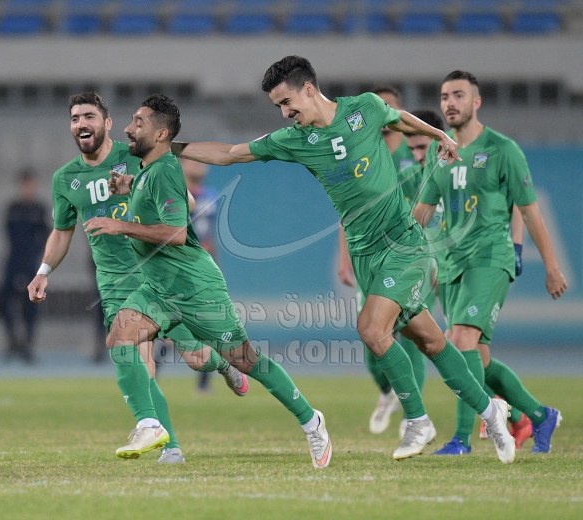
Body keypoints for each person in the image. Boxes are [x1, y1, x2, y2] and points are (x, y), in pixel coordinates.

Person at [171, 55, 516, 463]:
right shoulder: (294, 139)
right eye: (278, 106)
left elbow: (400, 119)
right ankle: (490, 411)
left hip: (402, 242)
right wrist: (169, 149)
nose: (284, 113)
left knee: (371, 328)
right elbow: (230, 153)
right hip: (364, 252)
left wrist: (437, 134)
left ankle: (418, 420)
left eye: (287, 102)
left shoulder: (364, 108)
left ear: (308, 89)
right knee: (429, 339)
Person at [83, 94, 332, 469]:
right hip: (158, 287)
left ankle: (311, 421)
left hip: (194, 287)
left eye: (138, 122)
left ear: (161, 133)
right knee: (120, 337)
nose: (129, 129)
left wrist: (121, 226)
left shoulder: (166, 169)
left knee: (247, 360)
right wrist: (130, 186)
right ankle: (150, 425)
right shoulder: (149, 171)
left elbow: (176, 233)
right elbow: (168, 198)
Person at [27, 92, 248, 465]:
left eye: (89, 116)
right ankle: (170, 447)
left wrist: (140, 190)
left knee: (197, 358)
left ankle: (223, 364)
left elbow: (188, 203)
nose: (81, 123)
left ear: (107, 123)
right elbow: (62, 231)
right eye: (75, 118)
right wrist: (43, 272)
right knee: (142, 367)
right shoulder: (65, 179)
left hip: (159, 276)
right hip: (115, 285)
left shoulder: (136, 156)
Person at [413, 70, 566, 455]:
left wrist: (551, 268)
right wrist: (397, 246)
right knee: (476, 358)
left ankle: (461, 440)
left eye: (458, 95)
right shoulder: (438, 151)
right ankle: (538, 414)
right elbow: (424, 210)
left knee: (459, 341)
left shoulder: (502, 149)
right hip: (451, 264)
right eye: (444, 96)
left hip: (490, 257)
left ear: (476, 102)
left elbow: (530, 211)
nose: (450, 103)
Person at [337, 86, 422, 437]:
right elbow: (348, 210)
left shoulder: (413, 155)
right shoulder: (363, 150)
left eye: (391, 106)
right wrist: (344, 258)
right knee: (371, 338)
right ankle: (388, 391)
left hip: (406, 256)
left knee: (414, 335)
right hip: (369, 255)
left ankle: (414, 416)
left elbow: (429, 209)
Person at [1, 169, 50, 363]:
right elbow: (9, 234)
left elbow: (45, 235)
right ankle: (12, 341)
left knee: (31, 305)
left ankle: (28, 344)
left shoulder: (39, 209)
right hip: (13, 261)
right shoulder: (13, 208)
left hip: (31, 264)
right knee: (6, 303)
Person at [181, 159, 221, 393]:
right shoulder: (176, 194)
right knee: (168, 327)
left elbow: (209, 237)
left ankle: (204, 384)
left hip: (204, 269)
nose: (200, 166)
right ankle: (150, 382)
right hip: (180, 268)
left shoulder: (210, 195)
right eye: (193, 163)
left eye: (202, 163)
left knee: (209, 325)